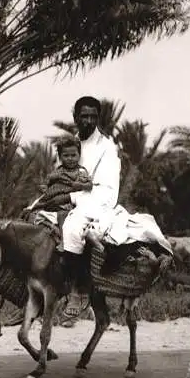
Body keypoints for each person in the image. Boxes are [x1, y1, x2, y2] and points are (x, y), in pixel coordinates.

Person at [59, 96, 122, 317]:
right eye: (83, 116)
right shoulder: (71, 144)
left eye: (93, 117)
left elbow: (107, 187)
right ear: (75, 117)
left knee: (73, 228)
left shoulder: (106, 147)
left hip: (97, 199)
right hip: (71, 196)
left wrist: (77, 197)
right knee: (34, 220)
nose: (88, 121)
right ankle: (36, 291)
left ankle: (79, 289)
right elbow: (60, 177)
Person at [31, 135, 93, 214]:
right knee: (37, 210)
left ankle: (60, 225)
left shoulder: (81, 171)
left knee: (62, 214)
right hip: (53, 199)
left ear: (79, 155)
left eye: (73, 155)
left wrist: (81, 185)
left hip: (69, 203)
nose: (70, 158)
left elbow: (90, 185)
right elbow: (49, 181)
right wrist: (44, 187)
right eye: (66, 156)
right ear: (60, 157)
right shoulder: (58, 171)